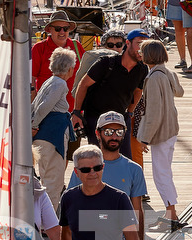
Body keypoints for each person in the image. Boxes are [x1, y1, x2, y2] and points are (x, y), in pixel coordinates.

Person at [71, 112, 149, 231]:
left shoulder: (135, 169)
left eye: (119, 132)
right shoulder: (85, 168)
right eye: (108, 132)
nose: (114, 137)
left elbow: (137, 213)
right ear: (97, 133)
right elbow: (71, 207)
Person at [135, 39, 184, 225]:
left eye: (142, 51)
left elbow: (153, 112)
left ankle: (170, 212)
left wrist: (144, 139)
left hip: (161, 132)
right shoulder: (167, 72)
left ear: (148, 56)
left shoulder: (154, 78)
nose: (139, 54)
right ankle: (171, 212)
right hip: (171, 129)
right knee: (165, 172)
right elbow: (180, 92)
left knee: (161, 174)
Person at [72, 29, 148, 149]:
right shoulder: (106, 63)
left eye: (145, 45)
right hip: (95, 117)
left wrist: (129, 113)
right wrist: (76, 112)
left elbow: (138, 90)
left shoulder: (142, 69)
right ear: (127, 43)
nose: (142, 48)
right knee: (97, 158)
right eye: (139, 43)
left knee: (124, 158)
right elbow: (83, 85)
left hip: (120, 118)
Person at [32, 46, 78, 192]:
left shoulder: (49, 81)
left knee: (47, 177)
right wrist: (33, 126)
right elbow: (43, 107)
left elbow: (35, 105)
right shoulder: (60, 84)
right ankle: (49, 214)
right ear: (70, 68)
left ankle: (44, 213)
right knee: (54, 181)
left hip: (45, 136)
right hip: (52, 136)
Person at [32, 14, 77, 91]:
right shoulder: (39, 48)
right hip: (48, 101)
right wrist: (33, 102)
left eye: (65, 28)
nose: (62, 32)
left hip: (73, 102)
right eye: (57, 28)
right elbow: (31, 79)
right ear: (50, 29)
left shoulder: (76, 45)